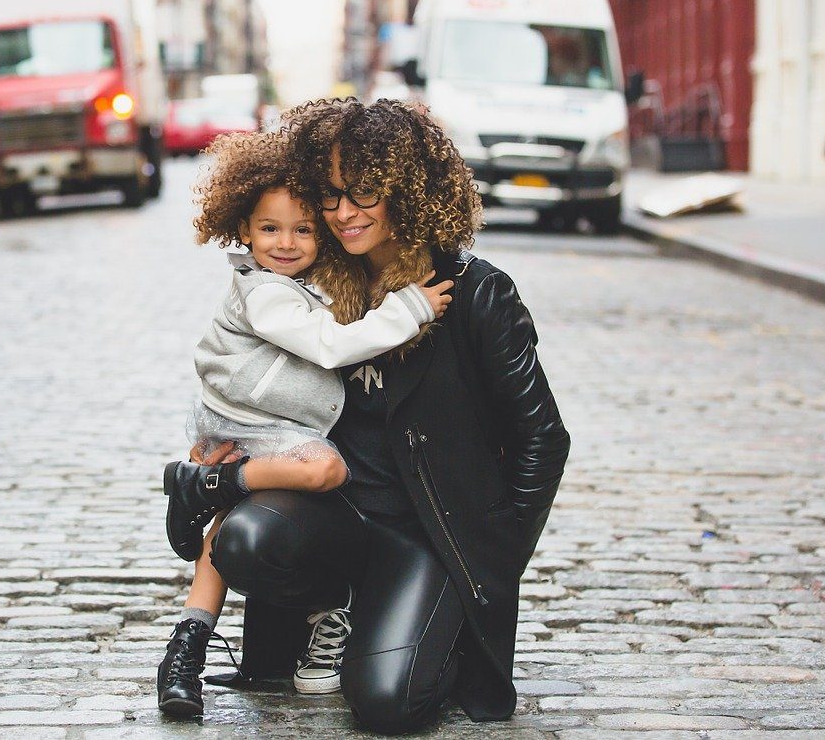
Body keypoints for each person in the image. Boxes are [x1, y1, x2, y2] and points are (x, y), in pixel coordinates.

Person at [205, 98, 571, 733]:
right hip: (336, 515)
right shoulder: (314, 283)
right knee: (245, 542)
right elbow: (245, 373)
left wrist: (492, 558)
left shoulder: (477, 293)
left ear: (408, 190)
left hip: (426, 534)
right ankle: (338, 611)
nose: (344, 214)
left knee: (386, 704)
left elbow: (544, 437)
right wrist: (221, 448)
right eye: (332, 195)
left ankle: (424, 623)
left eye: (365, 193)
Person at [157, 130, 454, 718]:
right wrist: (411, 309)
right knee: (325, 468)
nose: (287, 243)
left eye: (303, 229)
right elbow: (329, 345)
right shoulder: (264, 293)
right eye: (270, 229)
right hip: (255, 421)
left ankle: (185, 644)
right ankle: (223, 489)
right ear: (243, 229)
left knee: (227, 520)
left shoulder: (305, 282)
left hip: (251, 419)